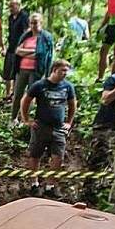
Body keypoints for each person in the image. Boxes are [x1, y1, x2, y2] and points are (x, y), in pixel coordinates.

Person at [20, 59, 76, 199]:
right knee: (35, 155)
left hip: (58, 127)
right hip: (41, 126)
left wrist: (69, 122)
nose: (65, 73)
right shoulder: (40, 85)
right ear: (54, 69)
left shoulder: (67, 87)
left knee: (58, 157)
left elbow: (72, 104)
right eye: (62, 70)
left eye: (66, 71)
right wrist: (26, 119)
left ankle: (50, 185)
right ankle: (34, 184)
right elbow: (25, 100)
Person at [11, 13, 54, 125]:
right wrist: (33, 52)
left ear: (41, 23)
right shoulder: (26, 36)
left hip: (36, 70)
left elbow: (42, 55)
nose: (33, 25)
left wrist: (25, 53)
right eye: (31, 23)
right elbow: (18, 51)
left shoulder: (46, 37)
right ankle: (13, 118)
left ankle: (25, 118)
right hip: (22, 69)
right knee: (17, 94)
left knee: (31, 95)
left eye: (36, 23)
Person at [2, 0, 29, 100]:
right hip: (11, 47)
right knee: (7, 69)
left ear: (18, 6)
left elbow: (26, 32)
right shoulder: (10, 18)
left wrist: (23, 47)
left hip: (20, 48)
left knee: (16, 70)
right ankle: (7, 93)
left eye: (13, 6)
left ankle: (15, 93)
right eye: (9, 6)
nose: (11, 8)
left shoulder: (24, 16)